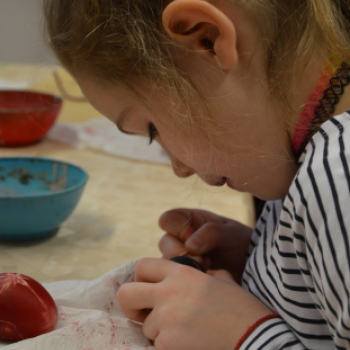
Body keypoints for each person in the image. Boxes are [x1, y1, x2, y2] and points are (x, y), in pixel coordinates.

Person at [43, 0, 350, 349]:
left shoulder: (338, 174)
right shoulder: (311, 155)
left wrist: (243, 337)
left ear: (206, 37)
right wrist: (265, 261)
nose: (179, 168)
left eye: (151, 129)